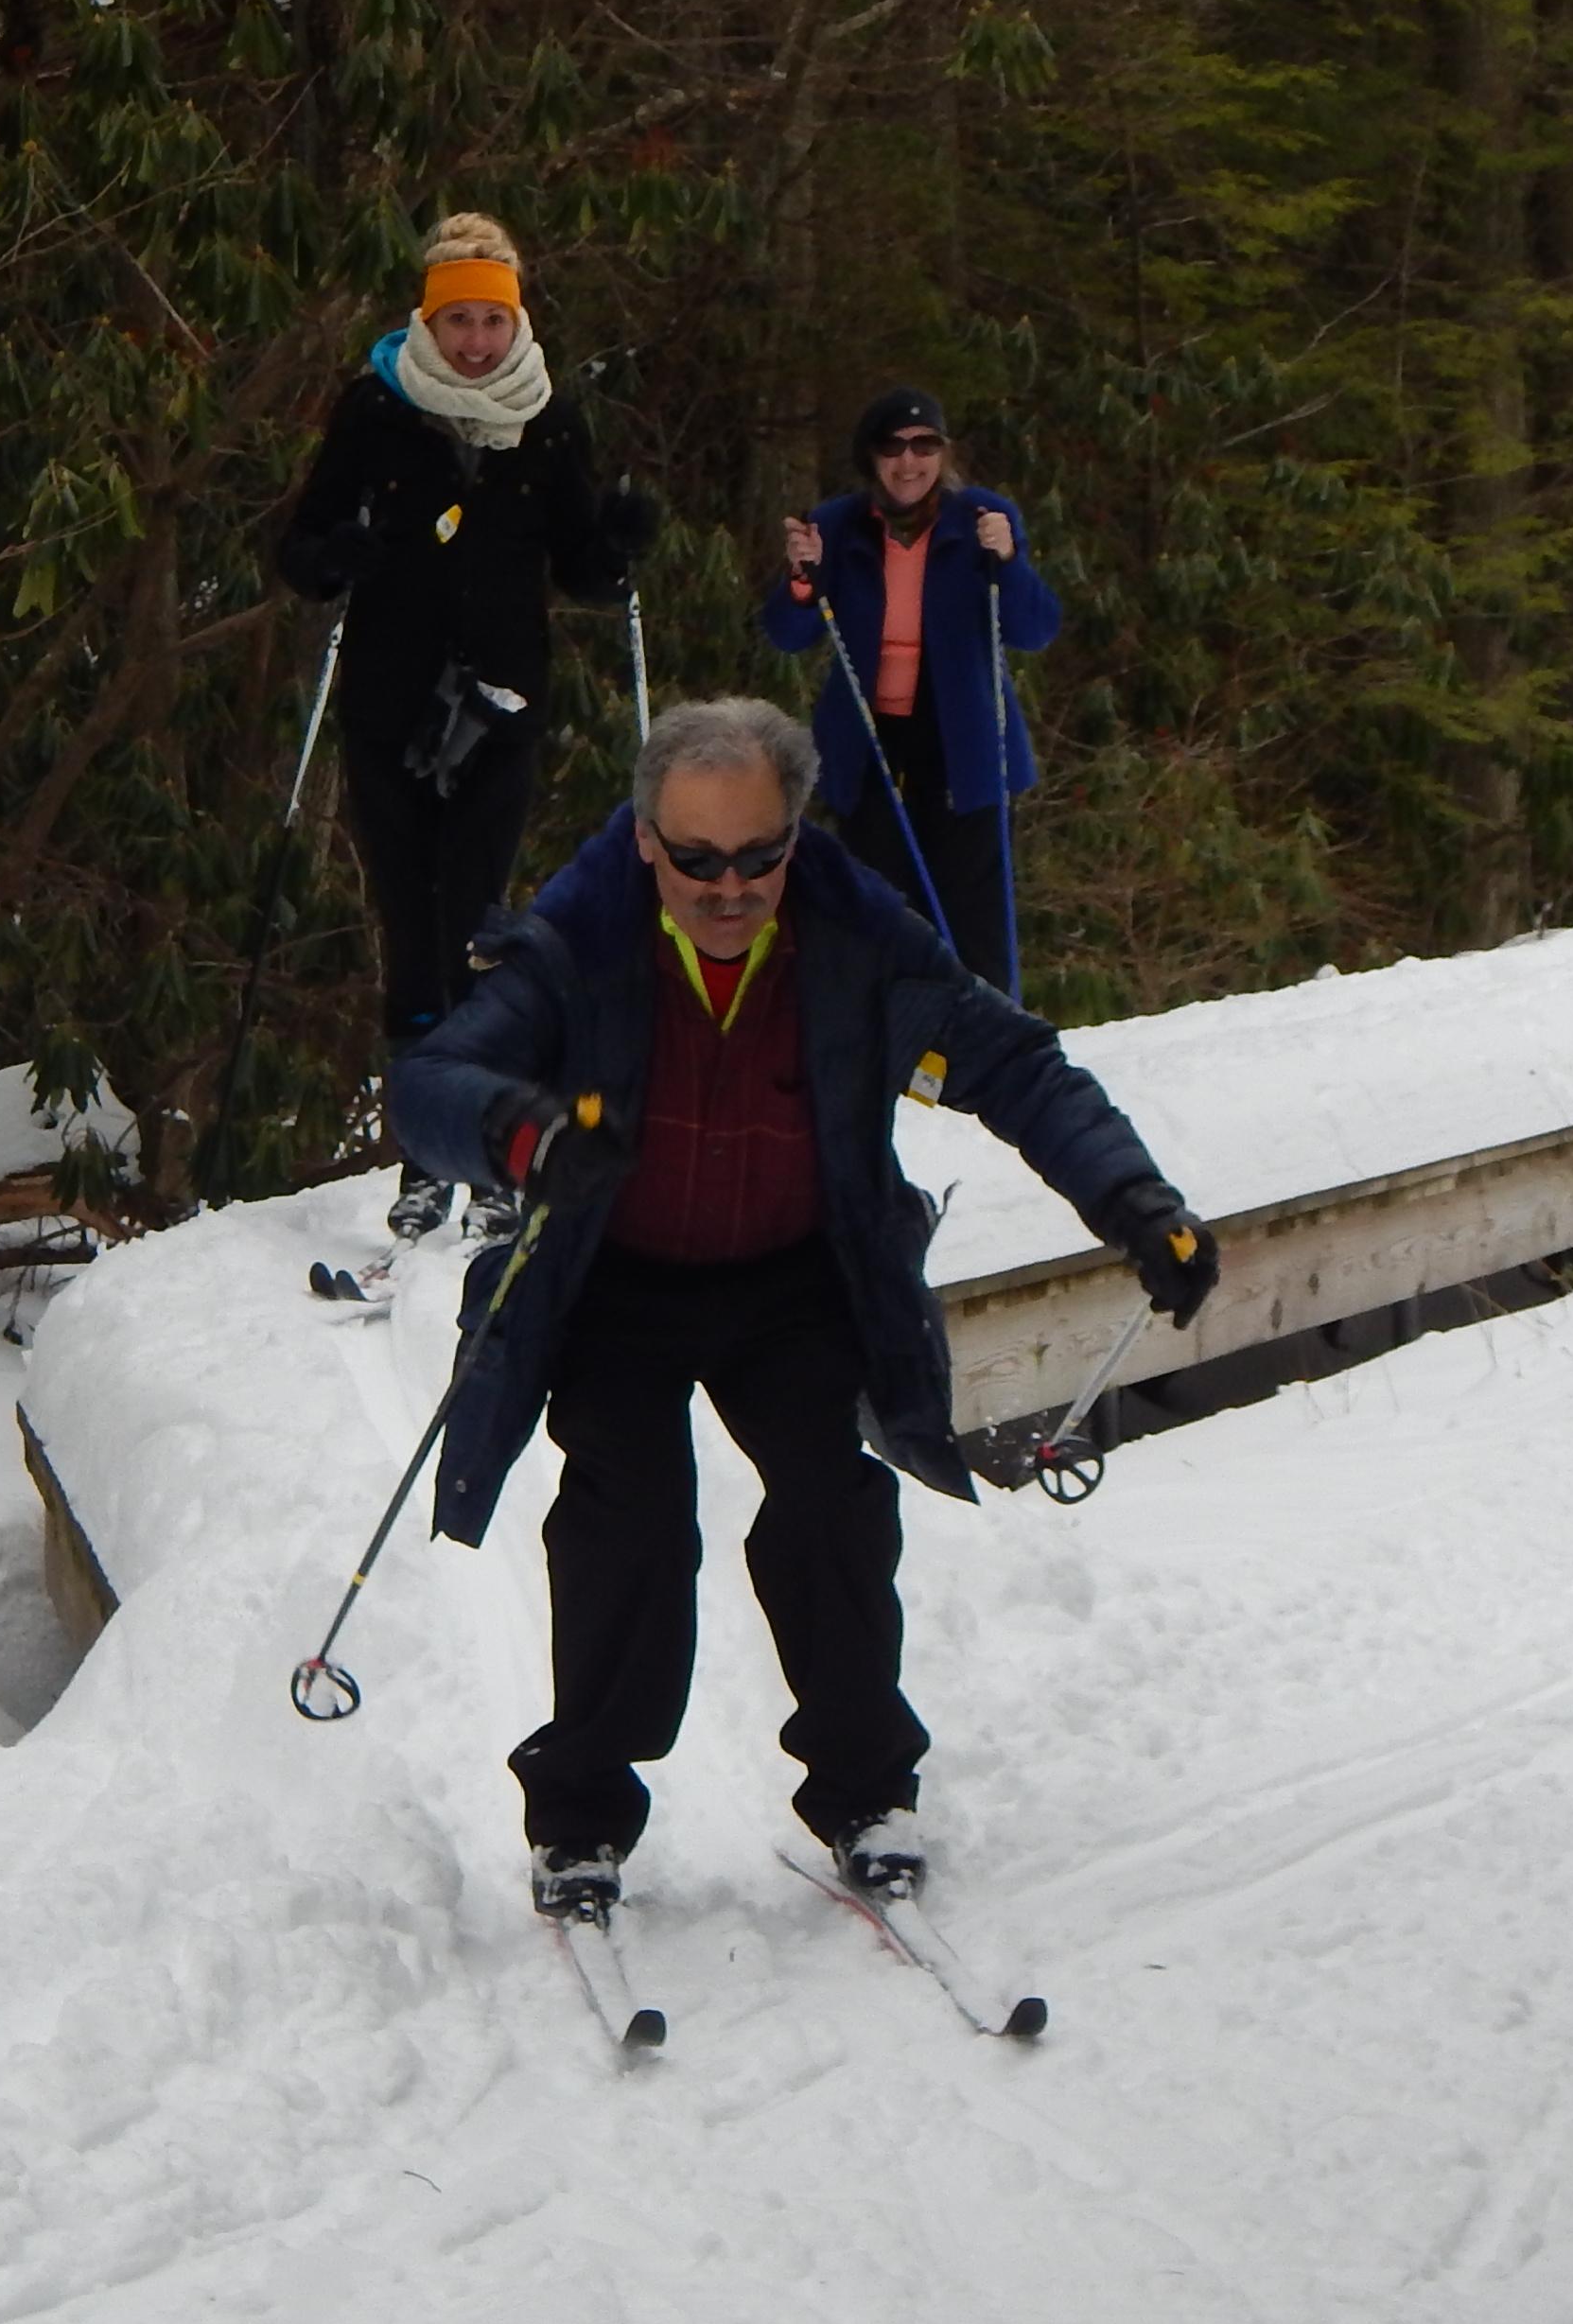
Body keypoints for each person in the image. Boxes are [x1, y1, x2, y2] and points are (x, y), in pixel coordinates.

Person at [391, 695, 1218, 1920]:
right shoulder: (583, 940)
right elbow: (428, 1086)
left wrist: (1134, 1199)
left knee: (832, 1504)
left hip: (792, 1273)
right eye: (697, 860)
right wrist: (524, 1134)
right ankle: (580, 1817)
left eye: (758, 858)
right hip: (619, 1278)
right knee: (630, 1521)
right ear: (646, 844)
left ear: (795, 837)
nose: (728, 888)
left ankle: (865, 1792)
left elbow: (1010, 1062)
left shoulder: (856, 934)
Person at [277, 213, 656, 1243]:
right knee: (411, 928)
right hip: (389, 702)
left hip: (501, 704)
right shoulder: (378, 409)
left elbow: (582, 566)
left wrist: (619, 542)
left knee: (482, 933)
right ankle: (422, 1155)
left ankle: (491, 1147)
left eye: (493, 320)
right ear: (429, 322)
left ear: (516, 318)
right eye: (460, 323)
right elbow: (301, 543)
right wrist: (336, 556)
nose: (477, 342)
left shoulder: (548, 419)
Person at [766, 387, 1057, 992]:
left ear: (943, 454)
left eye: (924, 446)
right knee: (877, 908)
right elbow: (789, 635)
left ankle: (989, 1050)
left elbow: (1034, 629)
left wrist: (1008, 560)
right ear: (871, 458)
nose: (909, 462)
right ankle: (887, 1046)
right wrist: (801, 581)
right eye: (893, 448)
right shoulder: (837, 526)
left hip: (964, 743)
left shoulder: (981, 518)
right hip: (872, 744)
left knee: (971, 913)